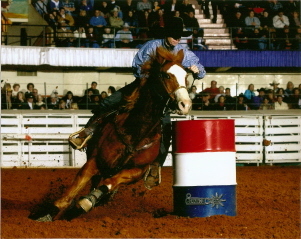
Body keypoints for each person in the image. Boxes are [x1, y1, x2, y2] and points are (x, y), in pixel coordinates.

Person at [69, 16, 206, 188]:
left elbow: (201, 70)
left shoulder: (183, 52)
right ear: (167, 35)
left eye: (179, 36)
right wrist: (151, 80)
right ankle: (88, 132)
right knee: (108, 103)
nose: (176, 39)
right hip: (142, 87)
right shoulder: (153, 46)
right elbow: (137, 66)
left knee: (166, 129)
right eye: (174, 35)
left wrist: (197, 70)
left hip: (162, 98)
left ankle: (156, 165)